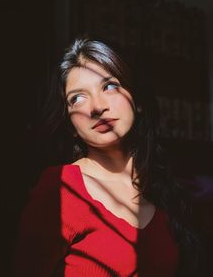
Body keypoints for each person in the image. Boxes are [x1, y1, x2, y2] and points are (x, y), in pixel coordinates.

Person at [14, 38, 202, 277]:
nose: (97, 107)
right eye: (77, 98)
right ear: (71, 125)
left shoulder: (160, 188)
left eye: (110, 86)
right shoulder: (61, 187)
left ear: (137, 101)